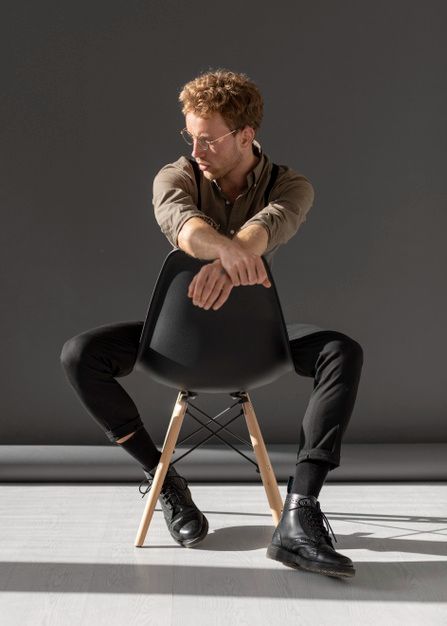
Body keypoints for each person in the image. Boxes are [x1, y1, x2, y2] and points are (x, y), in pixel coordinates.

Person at [60, 69, 363, 579]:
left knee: (342, 350)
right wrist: (225, 253)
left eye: (209, 138)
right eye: (190, 135)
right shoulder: (174, 174)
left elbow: (266, 227)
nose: (196, 148)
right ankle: (165, 480)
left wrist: (228, 258)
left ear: (246, 135)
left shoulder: (290, 185)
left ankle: (301, 512)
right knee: (79, 355)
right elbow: (182, 222)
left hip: (255, 342)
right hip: (176, 341)